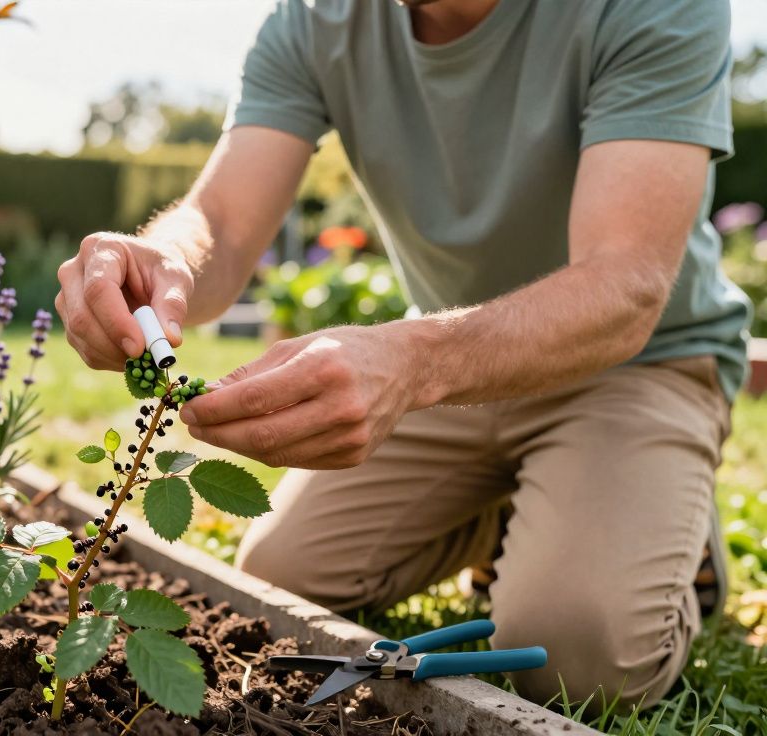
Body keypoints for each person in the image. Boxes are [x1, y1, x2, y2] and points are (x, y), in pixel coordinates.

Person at [54, 0, 751, 712]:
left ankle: (666, 534)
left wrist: (414, 362)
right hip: (451, 368)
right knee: (284, 576)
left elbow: (623, 283)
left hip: (636, 363)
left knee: (579, 656)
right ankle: (524, 507)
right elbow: (224, 223)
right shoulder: (315, 21)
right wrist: (164, 258)